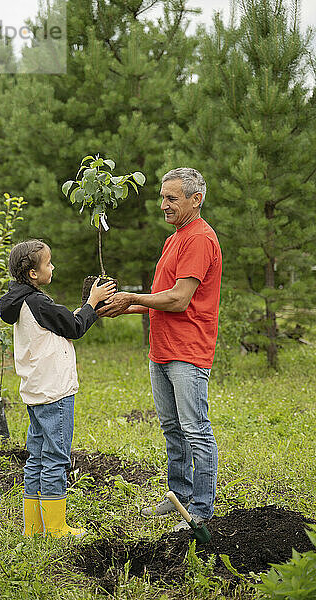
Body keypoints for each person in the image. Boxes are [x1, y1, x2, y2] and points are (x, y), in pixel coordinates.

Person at [98, 168, 222, 530]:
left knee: (195, 429)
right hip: (162, 350)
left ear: (195, 199)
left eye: (172, 198)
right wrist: (125, 306)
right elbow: (161, 298)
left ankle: (200, 509)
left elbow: (180, 300)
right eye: (162, 197)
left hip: (188, 350)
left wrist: (133, 296)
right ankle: (179, 498)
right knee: (172, 428)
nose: (163, 205)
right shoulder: (175, 238)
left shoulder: (199, 238)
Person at [0, 239, 115, 538]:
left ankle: (34, 527)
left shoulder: (20, 301)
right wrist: (92, 301)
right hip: (55, 393)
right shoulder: (39, 303)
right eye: (48, 263)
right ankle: (56, 527)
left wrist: (82, 310)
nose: (53, 267)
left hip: (37, 392)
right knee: (56, 458)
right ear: (33, 274)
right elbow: (75, 327)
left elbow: (64, 323)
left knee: (36, 458)